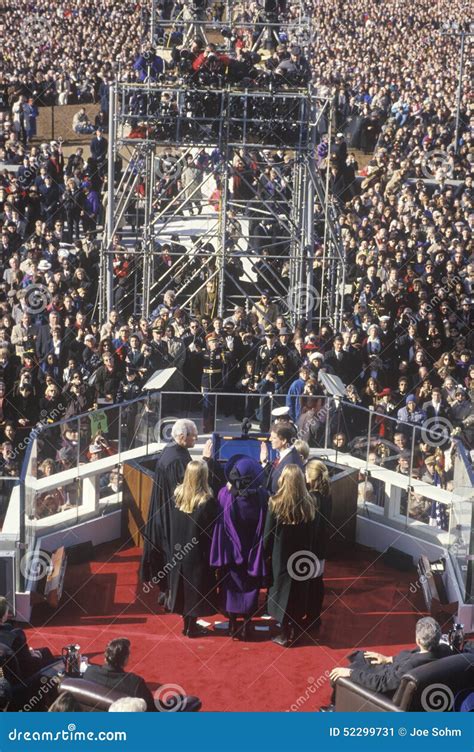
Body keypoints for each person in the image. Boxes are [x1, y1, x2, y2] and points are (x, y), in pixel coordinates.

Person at [326, 617, 451, 708]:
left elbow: (382, 684)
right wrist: (387, 659)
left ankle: (336, 707)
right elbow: (412, 656)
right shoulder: (444, 651)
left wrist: (350, 673)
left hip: (384, 687)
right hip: (391, 670)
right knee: (361, 657)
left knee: (340, 674)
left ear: (418, 640)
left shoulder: (411, 666)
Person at [210, 455, 269, 641]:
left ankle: (232, 624)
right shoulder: (262, 497)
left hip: (232, 554)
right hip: (253, 553)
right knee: (251, 588)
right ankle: (246, 625)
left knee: (231, 587)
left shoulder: (224, 495)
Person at [263, 465, 321, 647]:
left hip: (281, 556)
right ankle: (294, 626)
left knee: (280, 591)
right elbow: (314, 532)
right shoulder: (310, 502)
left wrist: (265, 553)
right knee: (298, 590)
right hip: (303, 555)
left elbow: (268, 533)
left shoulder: (275, 502)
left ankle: (284, 630)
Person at [140, 419, 198, 589]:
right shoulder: (177, 461)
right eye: (193, 436)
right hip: (170, 517)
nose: (195, 439)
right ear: (181, 437)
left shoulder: (173, 452)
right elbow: (184, 492)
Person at [167, 460, 219, 638]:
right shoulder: (207, 501)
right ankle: (192, 626)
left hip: (178, 550)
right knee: (195, 589)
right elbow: (213, 529)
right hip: (198, 553)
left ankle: (187, 625)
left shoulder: (177, 496)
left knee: (182, 588)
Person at [84, 637, 201, 711]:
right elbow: (152, 708)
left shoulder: (89, 672)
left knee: (178, 698)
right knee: (191, 700)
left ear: (105, 657)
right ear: (125, 659)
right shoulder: (135, 682)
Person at [0, 596, 55, 681]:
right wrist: (36, 656)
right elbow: (29, 666)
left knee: (44, 650)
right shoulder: (15, 636)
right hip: (22, 685)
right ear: (3, 616)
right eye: (7, 612)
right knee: (45, 653)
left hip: (7, 677)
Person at [305, 459, 332, 629]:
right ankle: (314, 617)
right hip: (321, 547)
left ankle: (310, 616)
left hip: (311, 548)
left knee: (310, 583)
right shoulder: (326, 496)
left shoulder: (311, 499)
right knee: (317, 581)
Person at [260, 422, 304, 493]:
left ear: (283, 441)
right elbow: (273, 475)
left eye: (274, 438)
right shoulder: (285, 454)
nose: (270, 439)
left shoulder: (290, 463)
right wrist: (264, 462)